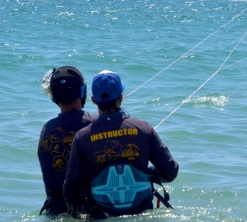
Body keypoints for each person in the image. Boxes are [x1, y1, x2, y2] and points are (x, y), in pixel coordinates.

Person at [64, 70, 179, 218]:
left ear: (93, 100)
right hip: (141, 214)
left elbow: (71, 190)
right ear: (121, 97)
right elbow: (170, 172)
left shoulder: (82, 137)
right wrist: (145, 174)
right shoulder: (144, 129)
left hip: (101, 215)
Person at [37, 66, 97, 216]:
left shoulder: (46, 129)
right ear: (82, 92)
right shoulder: (96, 122)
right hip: (90, 211)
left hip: (54, 212)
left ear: (54, 97)